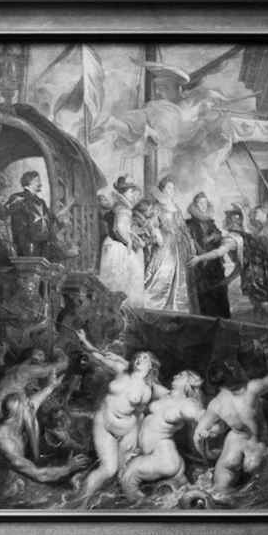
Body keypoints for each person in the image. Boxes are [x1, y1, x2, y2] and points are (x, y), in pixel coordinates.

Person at [74, 332, 161, 499]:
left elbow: (138, 414)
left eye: (145, 358)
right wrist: (84, 340)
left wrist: (133, 435)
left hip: (126, 430)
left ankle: (120, 501)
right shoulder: (121, 370)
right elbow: (97, 358)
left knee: (123, 471)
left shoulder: (146, 391)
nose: (140, 359)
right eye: (138, 357)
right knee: (108, 470)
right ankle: (79, 503)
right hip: (103, 425)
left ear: (151, 366)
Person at [199, 348, 268, 501]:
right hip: (256, 454)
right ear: (230, 373)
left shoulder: (216, 404)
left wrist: (207, 453)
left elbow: (199, 434)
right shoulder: (252, 389)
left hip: (231, 455)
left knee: (218, 497)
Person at [118, 369, 211, 501]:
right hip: (167, 458)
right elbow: (153, 385)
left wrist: (206, 426)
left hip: (163, 458)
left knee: (128, 477)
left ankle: (142, 516)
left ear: (189, 382)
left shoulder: (186, 405)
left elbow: (200, 415)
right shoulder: (167, 395)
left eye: (180, 375)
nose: (175, 375)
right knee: (184, 497)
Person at [142, 175, 196, 312]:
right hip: (164, 243)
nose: (172, 190)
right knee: (162, 271)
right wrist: (156, 232)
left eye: (173, 188)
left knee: (179, 274)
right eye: (169, 187)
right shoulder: (157, 207)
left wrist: (190, 241)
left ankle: (178, 306)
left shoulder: (176, 208)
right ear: (162, 189)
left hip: (179, 244)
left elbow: (183, 227)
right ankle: (153, 304)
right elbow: (151, 224)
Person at [96, 177, 146, 307]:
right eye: (130, 191)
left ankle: (123, 309)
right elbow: (120, 228)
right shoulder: (123, 208)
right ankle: (128, 309)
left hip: (112, 245)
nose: (132, 194)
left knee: (119, 279)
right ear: (123, 192)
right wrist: (129, 242)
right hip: (117, 247)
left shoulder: (118, 205)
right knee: (128, 276)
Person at [4, 171, 54, 258]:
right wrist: (0, 205)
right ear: (29, 181)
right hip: (26, 244)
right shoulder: (18, 198)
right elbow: (3, 214)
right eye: (37, 180)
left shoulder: (41, 202)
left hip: (44, 244)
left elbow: (51, 218)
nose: (40, 183)